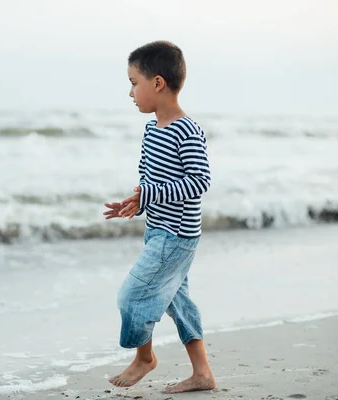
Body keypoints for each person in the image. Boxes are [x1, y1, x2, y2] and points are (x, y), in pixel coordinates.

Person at [103, 40, 215, 394]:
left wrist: (151, 194)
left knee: (132, 297)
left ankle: (145, 358)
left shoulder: (187, 130)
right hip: (158, 231)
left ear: (158, 83)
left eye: (134, 82)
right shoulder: (152, 130)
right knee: (178, 302)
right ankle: (202, 374)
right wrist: (138, 200)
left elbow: (199, 181)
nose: (131, 92)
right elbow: (149, 177)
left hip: (177, 236)